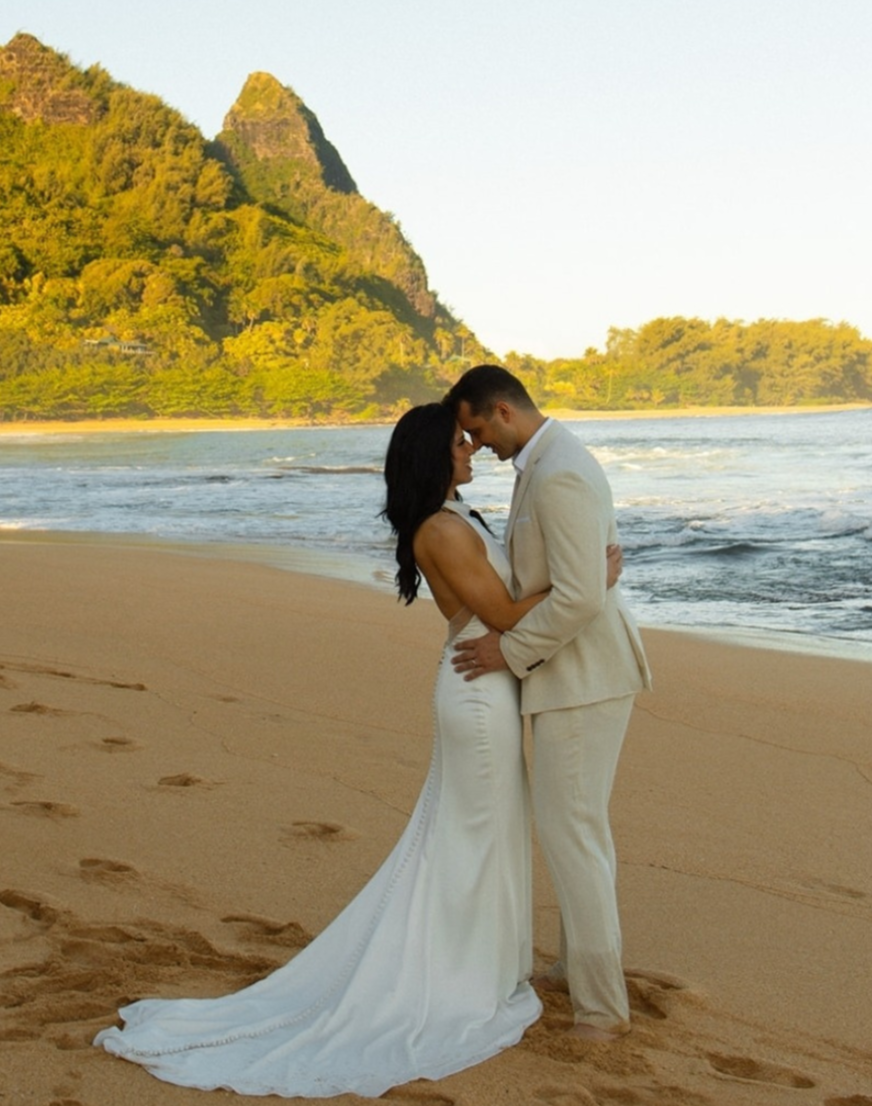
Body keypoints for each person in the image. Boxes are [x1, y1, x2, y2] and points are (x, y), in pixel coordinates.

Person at [93, 403, 620, 1098]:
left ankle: (482, 964)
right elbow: (501, 616)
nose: (470, 451)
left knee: (481, 835)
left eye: (470, 440)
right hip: (476, 690)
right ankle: (456, 975)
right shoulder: (439, 528)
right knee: (474, 837)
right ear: (434, 456)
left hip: (488, 685)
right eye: (459, 444)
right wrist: (588, 581)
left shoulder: (454, 518)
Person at [444, 366, 651, 1043]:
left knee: (572, 834)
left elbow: (580, 596)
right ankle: (572, 966)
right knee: (578, 830)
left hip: (584, 677)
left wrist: (509, 651)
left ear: (502, 412)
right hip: (575, 673)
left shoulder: (558, 470)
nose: (476, 445)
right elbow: (574, 581)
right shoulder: (545, 462)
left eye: (476, 429)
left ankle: (599, 1012)